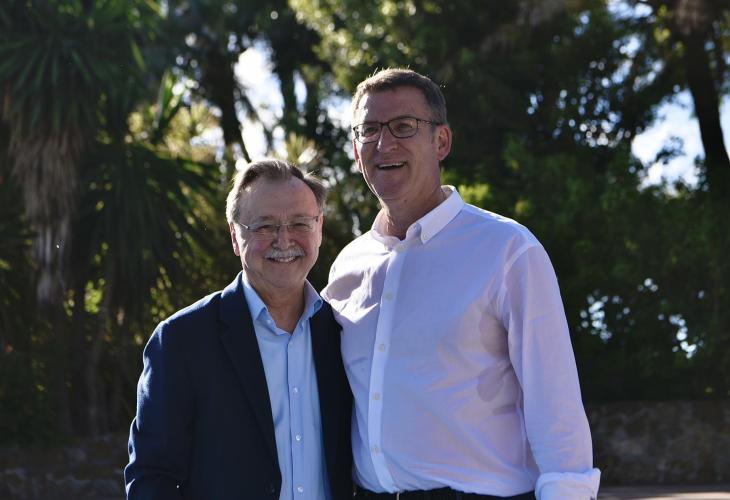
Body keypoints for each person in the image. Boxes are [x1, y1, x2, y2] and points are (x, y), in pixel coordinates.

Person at [322, 68, 600, 499]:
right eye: (369, 129)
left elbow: (556, 407)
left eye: (403, 126)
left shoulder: (508, 250)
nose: (384, 143)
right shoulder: (346, 267)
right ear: (357, 150)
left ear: (441, 142)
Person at [125, 159, 352, 500]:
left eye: (299, 223)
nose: (284, 239)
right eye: (264, 226)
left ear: (319, 227)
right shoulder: (182, 340)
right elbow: (151, 477)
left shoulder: (343, 332)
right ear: (235, 235)